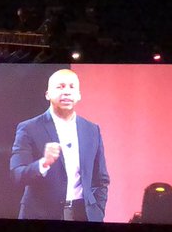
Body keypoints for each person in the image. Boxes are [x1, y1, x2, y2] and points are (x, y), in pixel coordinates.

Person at [9, 69, 109, 222]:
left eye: (71, 87)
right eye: (60, 87)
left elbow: (101, 179)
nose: (67, 92)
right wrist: (43, 163)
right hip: (41, 215)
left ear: (79, 95)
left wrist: (98, 211)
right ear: (47, 94)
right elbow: (17, 175)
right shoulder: (29, 128)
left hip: (83, 214)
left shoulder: (91, 129)